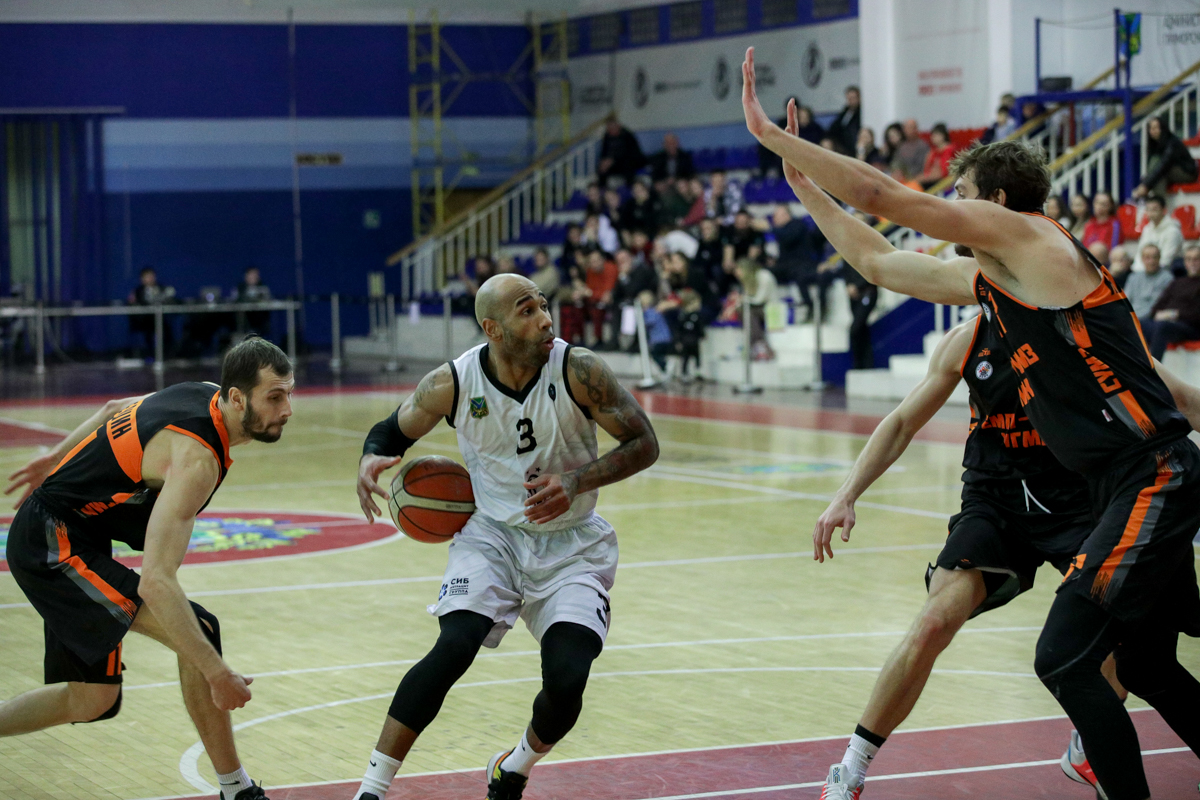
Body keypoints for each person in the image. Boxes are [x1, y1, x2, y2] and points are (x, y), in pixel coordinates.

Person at [744, 53, 1200, 798]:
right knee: (1148, 663)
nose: (948, 204)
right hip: (1106, 485)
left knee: (1069, 657)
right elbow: (880, 262)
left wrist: (774, 137)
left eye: (958, 194)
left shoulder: (1032, 240)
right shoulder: (995, 279)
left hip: (1147, 475)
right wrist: (806, 190)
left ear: (993, 202)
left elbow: (884, 196)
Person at [351, 274, 658, 800]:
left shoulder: (578, 369)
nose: (545, 319)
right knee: (453, 647)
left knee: (567, 681)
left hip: (572, 544)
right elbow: (391, 430)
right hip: (491, 537)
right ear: (493, 328)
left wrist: (576, 481)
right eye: (527, 310)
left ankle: (514, 767)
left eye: (543, 305)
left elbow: (644, 442)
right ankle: (371, 790)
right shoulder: (453, 383)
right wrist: (369, 458)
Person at [1, 337, 294, 800]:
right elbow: (156, 581)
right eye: (275, 397)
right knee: (198, 631)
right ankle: (236, 791)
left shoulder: (203, 392)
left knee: (93, 700)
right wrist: (217, 673)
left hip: (75, 536)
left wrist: (57, 458)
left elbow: (114, 409)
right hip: (52, 543)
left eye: (288, 395)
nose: (288, 409)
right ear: (237, 398)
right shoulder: (197, 459)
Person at [1140, 245, 1200, 359]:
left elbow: (1196, 314)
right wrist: (1159, 314)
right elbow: (1157, 307)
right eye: (1188, 259)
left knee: (1162, 327)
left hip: (1190, 327)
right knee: (1138, 324)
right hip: (1168, 323)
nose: (1192, 263)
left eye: (1196, 259)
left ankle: (1153, 369)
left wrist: (1174, 314)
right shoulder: (1177, 282)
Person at [1133, 116, 1199, 200]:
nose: (1153, 131)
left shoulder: (1172, 142)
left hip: (1187, 173)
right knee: (1155, 171)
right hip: (1170, 170)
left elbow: (1164, 164)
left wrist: (1146, 185)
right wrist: (1146, 182)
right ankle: (1154, 202)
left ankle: (1158, 203)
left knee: (1160, 175)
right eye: (1151, 128)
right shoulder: (1155, 144)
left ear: (1162, 128)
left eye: (1156, 128)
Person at [127, 266, 176, 358]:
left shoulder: (161, 288)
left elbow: (169, 299)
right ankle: (150, 354)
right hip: (144, 321)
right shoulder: (138, 291)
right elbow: (136, 303)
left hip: (160, 319)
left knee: (166, 330)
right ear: (142, 279)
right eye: (147, 277)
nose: (150, 279)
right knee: (148, 331)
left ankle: (167, 355)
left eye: (152, 276)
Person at [1134, 194, 1184, 272]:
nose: (1150, 213)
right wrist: (1137, 271)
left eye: (1154, 209)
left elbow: (1166, 260)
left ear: (1163, 210)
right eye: (1148, 209)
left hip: (1167, 271)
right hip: (1145, 271)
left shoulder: (1173, 231)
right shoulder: (1147, 229)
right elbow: (1140, 254)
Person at [1124, 244, 1174, 318]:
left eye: (1154, 257)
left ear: (1159, 258)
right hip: (1131, 317)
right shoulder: (1133, 277)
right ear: (1142, 259)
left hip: (1150, 319)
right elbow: (1125, 302)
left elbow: (1156, 306)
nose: (1151, 261)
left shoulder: (1167, 278)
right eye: (1147, 258)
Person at [844, 263, 877, 370]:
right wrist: (848, 286)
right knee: (862, 328)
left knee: (855, 328)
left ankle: (858, 364)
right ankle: (867, 364)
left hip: (867, 292)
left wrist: (857, 286)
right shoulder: (847, 256)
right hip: (854, 297)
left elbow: (872, 272)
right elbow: (846, 272)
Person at [597, 116, 646, 187]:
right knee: (601, 168)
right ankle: (602, 189)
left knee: (628, 165)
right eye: (609, 128)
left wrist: (613, 160)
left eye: (613, 128)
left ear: (618, 126)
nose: (611, 130)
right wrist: (604, 161)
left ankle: (630, 187)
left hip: (630, 160)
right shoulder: (607, 137)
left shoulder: (627, 135)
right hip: (614, 163)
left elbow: (630, 152)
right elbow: (604, 151)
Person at [236, 266, 272, 339]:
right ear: (246, 276)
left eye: (256, 275)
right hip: (244, 317)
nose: (254, 277)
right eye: (251, 275)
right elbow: (235, 301)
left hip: (259, 318)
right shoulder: (240, 288)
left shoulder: (263, 288)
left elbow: (268, 300)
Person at [828, 85, 862, 156]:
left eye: (853, 98)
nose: (851, 101)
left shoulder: (861, 113)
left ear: (859, 98)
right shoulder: (845, 112)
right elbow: (835, 127)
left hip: (852, 146)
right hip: (841, 145)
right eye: (849, 99)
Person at [918, 123, 954, 188]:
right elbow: (926, 169)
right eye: (932, 135)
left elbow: (944, 172)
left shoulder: (949, 150)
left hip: (944, 182)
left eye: (936, 135)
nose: (933, 138)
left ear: (943, 135)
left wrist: (927, 177)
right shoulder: (932, 152)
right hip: (931, 180)